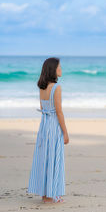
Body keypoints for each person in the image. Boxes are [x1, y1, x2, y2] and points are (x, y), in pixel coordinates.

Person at [27, 57, 69, 203]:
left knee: (44, 157)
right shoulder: (57, 88)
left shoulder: (42, 87)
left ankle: (45, 194)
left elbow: (44, 107)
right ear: (54, 69)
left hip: (44, 125)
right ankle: (52, 195)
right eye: (60, 67)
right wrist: (65, 132)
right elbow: (59, 112)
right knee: (54, 158)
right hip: (53, 126)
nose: (61, 69)